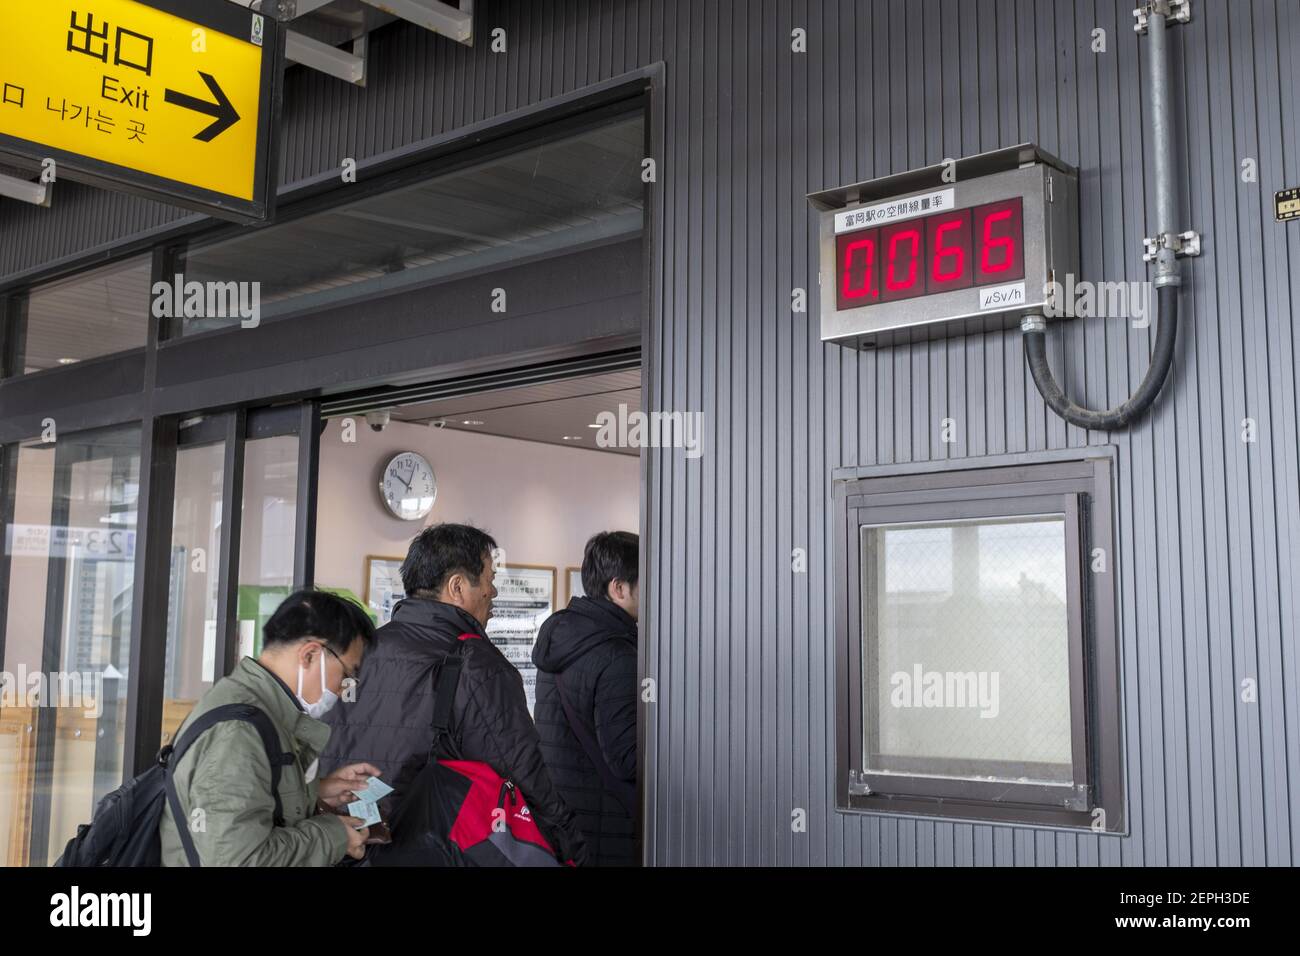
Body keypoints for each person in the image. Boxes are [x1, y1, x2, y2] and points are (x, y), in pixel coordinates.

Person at [321, 522, 588, 864]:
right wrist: (571, 848)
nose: (493, 593)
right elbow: (523, 772)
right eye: (490, 579)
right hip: (429, 850)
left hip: (345, 848)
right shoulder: (475, 662)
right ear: (458, 587)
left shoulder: (362, 650)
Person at [159, 589, 380, 866]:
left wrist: (316, 790)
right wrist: (335, 836)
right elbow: (240, 860)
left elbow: (253, 802)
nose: (346, 688)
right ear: (310, 655)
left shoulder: (256, 710)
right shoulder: (237, 732)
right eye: (347, 675)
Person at [532, 531, 639, 866]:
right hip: (611, 834)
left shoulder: (563, 642)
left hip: (566, 827)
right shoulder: (616, 655)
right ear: (619, 588)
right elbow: (627, 758)